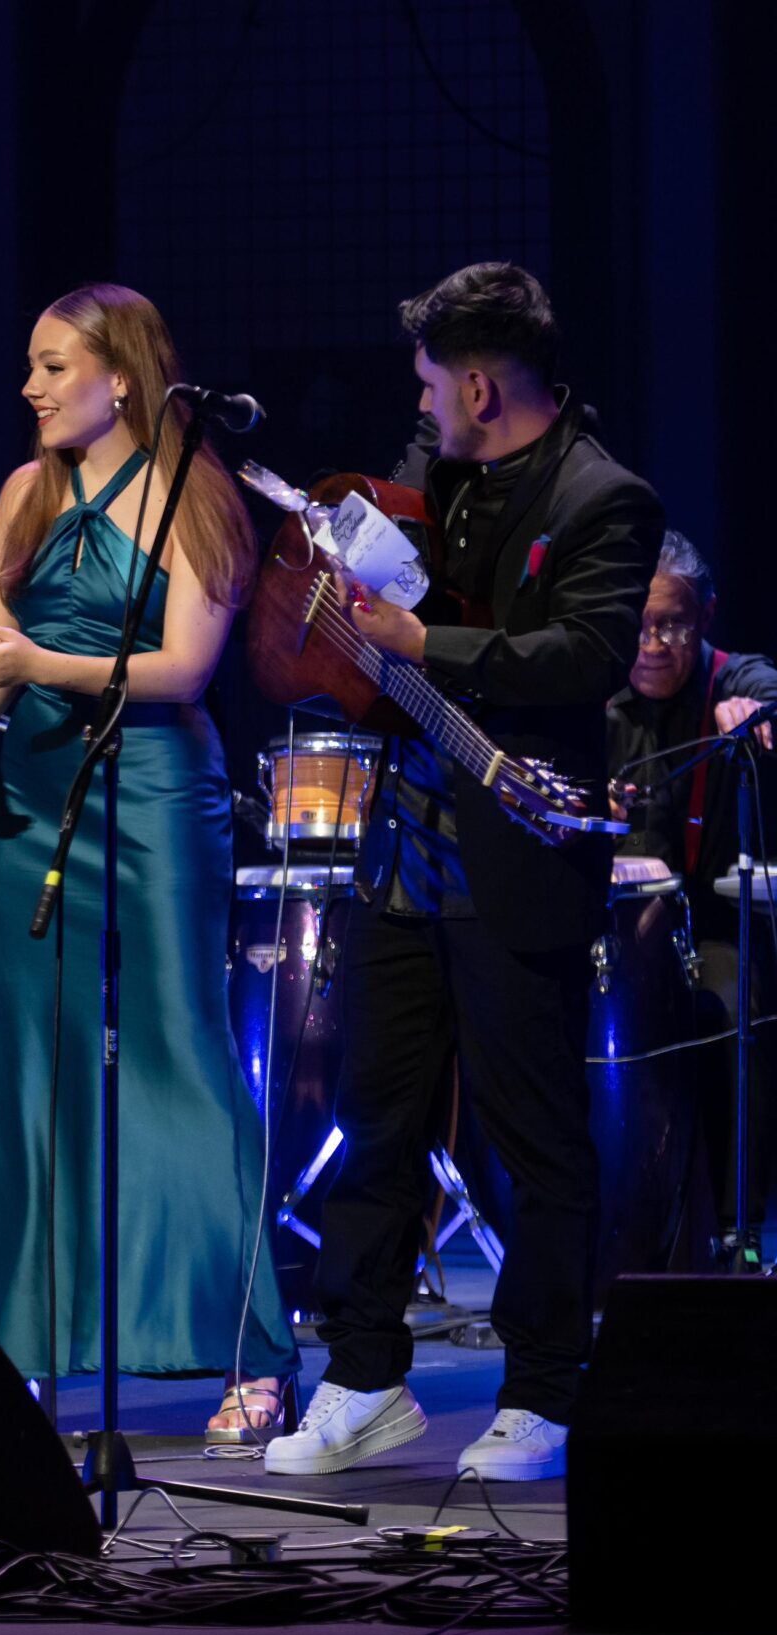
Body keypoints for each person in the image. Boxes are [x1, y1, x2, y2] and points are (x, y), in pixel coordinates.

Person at [266, 262, 661, 1483]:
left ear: (481, 383)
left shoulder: (603, 497)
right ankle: (362, 1376)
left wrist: (418, 639)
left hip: (515, 850)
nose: (425, 405)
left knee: (529, 1131)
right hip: (403, 845)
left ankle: (542, 1391)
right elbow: (380, 576)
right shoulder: (432, 475)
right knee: (375, 1115)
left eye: (436, 384)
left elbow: (580, 657)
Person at [0, 283, 298, 1442]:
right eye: (30, 368)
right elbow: (3, 649)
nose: (30, 388)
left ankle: (245, 1345)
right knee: (26, 1067)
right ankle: (12, 1349)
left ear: (121, 376)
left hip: (148, 794)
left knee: (179, 1056)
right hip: (35, 798)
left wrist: (35, 668)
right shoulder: (24, 494)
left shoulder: (198, 496)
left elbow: (184, 670)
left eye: (51, 366)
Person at [606, 529, 776, 1248]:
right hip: (610, 930)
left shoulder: (729, 680)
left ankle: (734, 1229)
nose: (653, 643)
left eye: (671, 624)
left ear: (705, 615)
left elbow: (766, 688)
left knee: (736, 1007)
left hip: (707, 925)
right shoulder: (600, 695)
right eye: (641, 625)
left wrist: (758, 716)